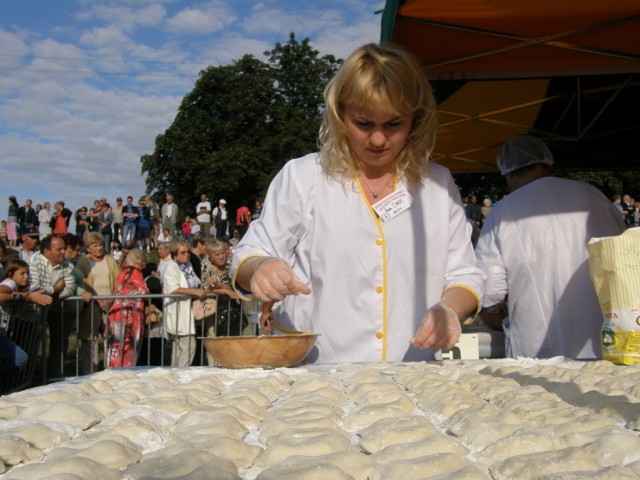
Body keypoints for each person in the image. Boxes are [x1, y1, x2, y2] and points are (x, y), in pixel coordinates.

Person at [232, 43, 484, 364]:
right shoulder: (303, 176)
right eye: (364, 123)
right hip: (318, 375)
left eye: (393, 124)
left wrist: (449, 308)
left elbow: (465, 274)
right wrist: (260, 268)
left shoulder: (437, 185)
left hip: (410, 373)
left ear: (416, 119)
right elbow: (250, 253)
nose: (378, 139)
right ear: (341, 114)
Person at [475, 135, 627, 360]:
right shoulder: (593, 196)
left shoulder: (503, 211)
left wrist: (492, 312)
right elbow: (626, 253)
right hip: (603, 337)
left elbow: (489, 290)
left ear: (509, 172)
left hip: (537, 345)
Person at [28, 235, 76, 379]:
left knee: (57, 346)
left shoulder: (67, 264)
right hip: (29, 313)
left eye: (64, 248)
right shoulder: (33, 262)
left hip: (48, 309)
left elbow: (70, 289)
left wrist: (50, 295)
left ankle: (50, 378)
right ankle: (26, 380)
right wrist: (54, 289)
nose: (63, 252)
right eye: (59, 249)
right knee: (30, 347)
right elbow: (34, 288)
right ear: (46, 251)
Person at [76, 232, 119, 374]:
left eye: (100, 245)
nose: (99, 248)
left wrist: (111, 299)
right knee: (90, 339)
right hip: (91, 305)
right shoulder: (83, 261)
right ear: (88, 248)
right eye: (95, 245)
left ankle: (110, 370)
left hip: (110, 304)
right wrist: (97, 300)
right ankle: (90, 372)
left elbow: (117, 280)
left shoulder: (110, 260)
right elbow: (81, 282)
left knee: (111, 337)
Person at [0, 259, 52, 377]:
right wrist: (26, 297)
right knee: (20, 358)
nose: (26, 276)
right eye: (22, 273)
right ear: (10, 274)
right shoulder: (10, 283)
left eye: (28, 273)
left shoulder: (17, 287)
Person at [162, 239, 208, 367]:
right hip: (178, 311)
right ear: (175, 254)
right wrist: (194, 291)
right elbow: (173, 289)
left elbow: (195, 282)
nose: (186, 255)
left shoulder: (188, 266)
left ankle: (175, 372)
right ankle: (181, 372)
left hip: (187, 311)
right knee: (189, 345)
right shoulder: (172, 267)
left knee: (180, 347)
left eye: (187, 252)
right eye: (182, 252)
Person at [106, 248, 149, 368]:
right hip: (130, 314)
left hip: (117, 313)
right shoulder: (135, 272)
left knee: (115, 348)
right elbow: (144, 291)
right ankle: (126, 374)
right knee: (129, 348)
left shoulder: (121, 272)